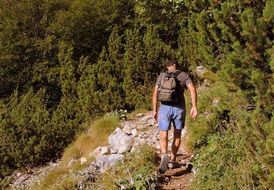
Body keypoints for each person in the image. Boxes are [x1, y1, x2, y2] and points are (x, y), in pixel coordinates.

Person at [152, 60, 198, 173]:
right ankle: (172, 160)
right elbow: (192, 89)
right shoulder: (184, 75)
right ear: (176, 65)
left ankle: (164, 155)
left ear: (169, 66)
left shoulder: (162, 75)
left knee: (163, 132)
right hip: (179, 109)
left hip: (164, 108)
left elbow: (155, 94)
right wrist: (194, 106)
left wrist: (154, 110)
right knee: (177, 134)